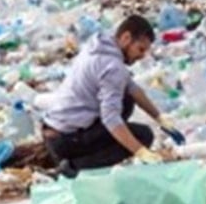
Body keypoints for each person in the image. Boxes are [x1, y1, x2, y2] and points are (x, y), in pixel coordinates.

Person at [42, 15, 181, 175]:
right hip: (66, 141)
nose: (142, 56)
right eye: (140, 49)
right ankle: (72, 167)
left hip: (54, 132)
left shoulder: (98, 45)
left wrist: (159, 118)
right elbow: (111, 118)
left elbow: (132, 88)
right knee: (144, 135)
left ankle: (75, 160)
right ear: (126, 38)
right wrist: (141, 152)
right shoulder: (113, 67)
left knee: (127, 99)